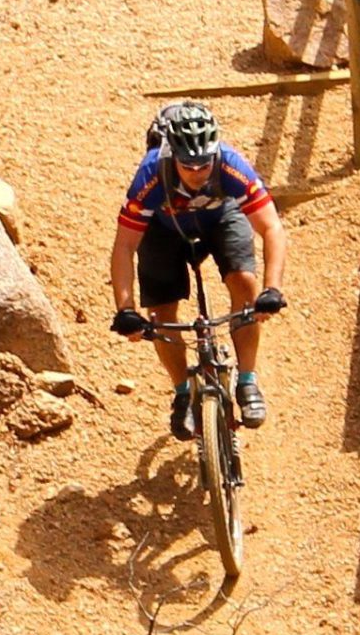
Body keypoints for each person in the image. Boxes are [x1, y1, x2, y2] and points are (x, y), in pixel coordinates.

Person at [109, 101, 288, 436]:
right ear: (172, 156)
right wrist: (125, 309)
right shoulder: (150, 176)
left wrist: (272, 288)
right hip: (164, 229)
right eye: (187, 165)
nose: (197, 172)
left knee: (244, 282)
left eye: (204, 164)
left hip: (221, 218)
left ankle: (247, 380)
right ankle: (182, 394)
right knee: (161, 313)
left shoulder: (232, 166)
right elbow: (125, 245)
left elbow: (272, 228)